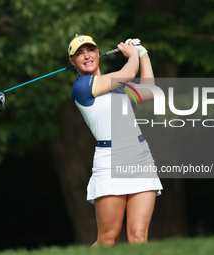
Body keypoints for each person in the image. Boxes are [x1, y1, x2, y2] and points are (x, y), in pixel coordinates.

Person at [68, 34, 163, 246]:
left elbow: (148, 91)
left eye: (90, 50)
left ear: (98, 53)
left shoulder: (117, 87)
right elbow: (129, 72)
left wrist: (142, 53)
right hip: (110, 160)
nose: (86, 56)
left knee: (139, 236)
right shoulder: (82, 87)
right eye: (79, 54)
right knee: (107, 239)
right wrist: (131, 56)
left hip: (140, 157)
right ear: (72, 62)